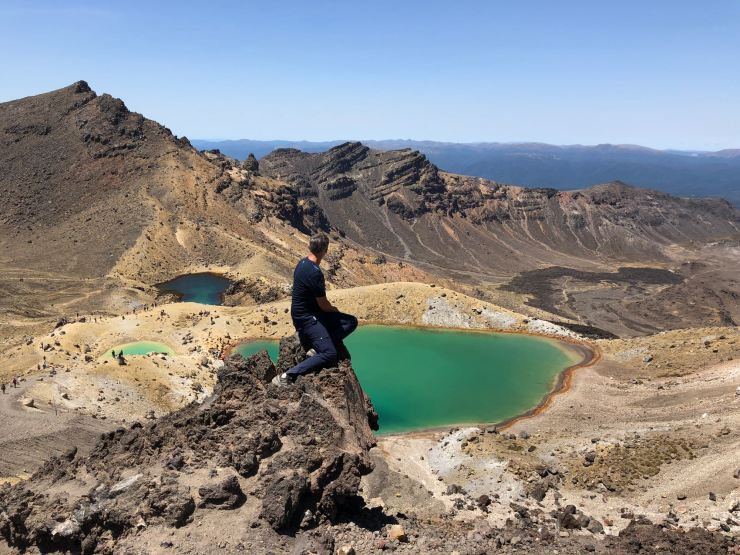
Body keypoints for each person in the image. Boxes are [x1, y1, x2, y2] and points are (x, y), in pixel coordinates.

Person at [272, 232, 357, 386]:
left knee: (351, 322)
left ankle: (319, 345)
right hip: (306, 318)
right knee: (330, 353)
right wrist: (334, 310)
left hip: (307, 313)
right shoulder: (315, 273)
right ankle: (286, 376)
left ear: (310, 247)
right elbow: (323, 304)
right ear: (325, 250)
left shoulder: (303, 263)